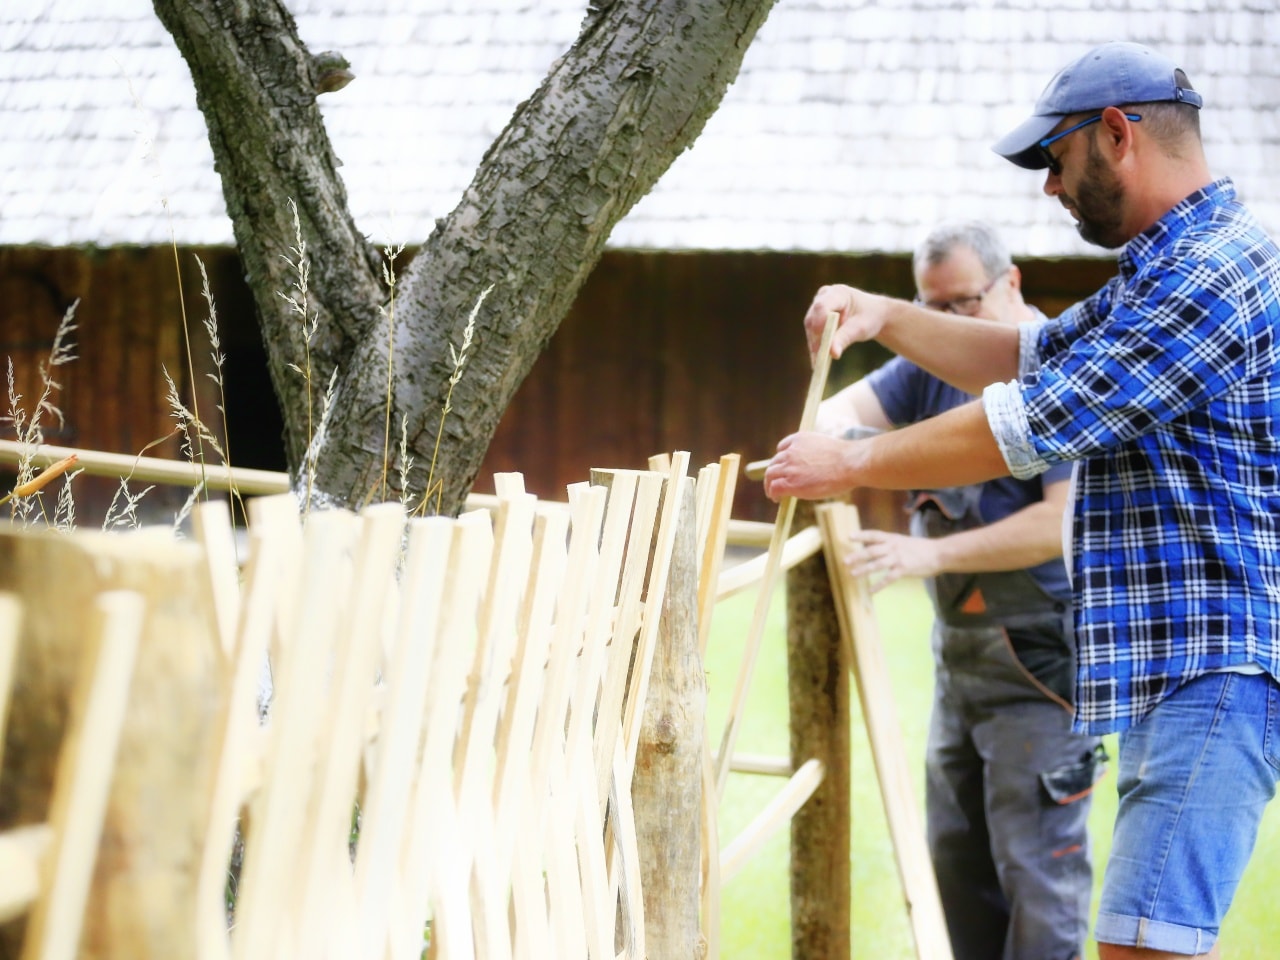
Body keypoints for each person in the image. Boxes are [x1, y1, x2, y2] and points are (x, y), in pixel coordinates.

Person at [764, 41, 1280, 960]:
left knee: (1143, 948)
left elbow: (1031, 419)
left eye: (1056, 158)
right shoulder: (1166, 269)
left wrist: (850, 464)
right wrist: (886, 314)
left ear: (1117, 135)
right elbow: (1024, 357)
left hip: (1215, 673)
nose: (1049, 187)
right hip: (1177, 674)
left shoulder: (1210, 276)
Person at [819, 219, 1103, 960]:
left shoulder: (1059, 369)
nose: (946, 321)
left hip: (1042, 668)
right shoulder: (926, 369)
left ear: (1011, 283)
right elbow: (835, 414)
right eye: (930, 307)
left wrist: (928, 555)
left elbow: (1058, 523)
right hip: (960, 666)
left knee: (1038, 885)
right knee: (955, 871)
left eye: (964, 304)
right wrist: (843, 445)